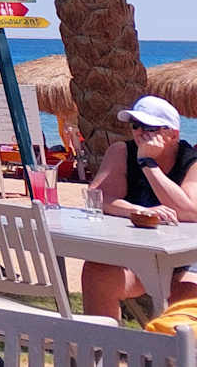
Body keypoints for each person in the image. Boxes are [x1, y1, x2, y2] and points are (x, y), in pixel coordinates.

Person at [81, 96, 197, 317]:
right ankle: (100, 339)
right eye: (136, 125)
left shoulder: (191, 161)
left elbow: (190, 213)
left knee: (186, 296)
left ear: (173, 134)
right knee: (97, 273)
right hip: (141, 258)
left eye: (150, 128)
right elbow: (98, 197)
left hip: (187, 259)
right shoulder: (121, 152)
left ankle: (170, 341)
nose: (141, 133)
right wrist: (135, 211)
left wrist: (148, 164)